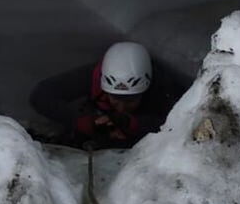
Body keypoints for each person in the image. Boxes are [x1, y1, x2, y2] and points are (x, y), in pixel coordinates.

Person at [28, 42, 187, 150]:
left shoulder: (161, 86)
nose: (121, 107)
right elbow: (41, 95)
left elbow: (178, 124)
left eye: (130, 100)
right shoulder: (92, 77)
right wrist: (82, 122)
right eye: (115, 99)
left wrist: (130, 124)